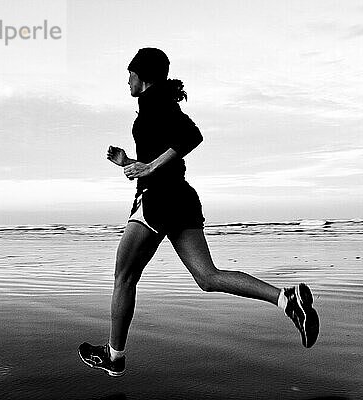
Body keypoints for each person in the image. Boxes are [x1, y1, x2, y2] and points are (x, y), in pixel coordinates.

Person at [78, 48, 319, 377]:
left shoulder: (155, 103)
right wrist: (130, 162)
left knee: (124, 277)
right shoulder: (157, 106)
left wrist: (148, 167)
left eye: (130, 74)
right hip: (180, 199)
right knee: (208, 277)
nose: (127, 81)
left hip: (159, 200)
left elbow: (190, 137)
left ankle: (115, 358)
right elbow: (165, 152)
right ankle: (286, 300)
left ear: (143, 76)